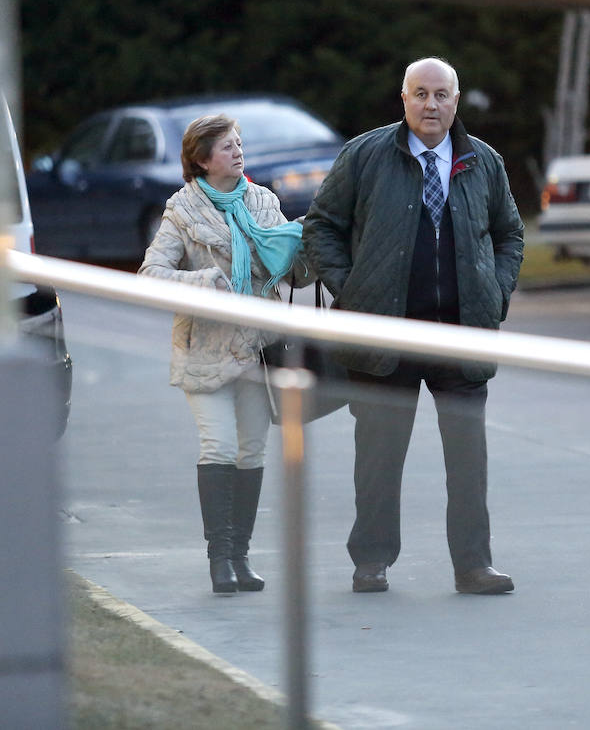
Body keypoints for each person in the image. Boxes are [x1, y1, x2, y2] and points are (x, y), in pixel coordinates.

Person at [303, 57, 524, 595]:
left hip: (460, 333)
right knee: (378, 456)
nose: (431, 104)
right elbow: (321, 227)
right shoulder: (364, 154)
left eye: (441, 94)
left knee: (468, 460)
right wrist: (353, 291)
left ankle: (474, 565)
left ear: (456, 99)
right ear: (403, 98)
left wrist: (494, 294)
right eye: (420, 94)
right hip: (386, 338)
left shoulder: (483, 160)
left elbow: (509, 234)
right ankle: (371, 561)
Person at [139, 113, 309, 594]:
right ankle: (219, 559)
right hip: (205, 351)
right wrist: (202, 281)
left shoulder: (262, 200)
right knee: (220, 446)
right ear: (201, 159)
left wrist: (299, 248)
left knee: (252, 450)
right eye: (227, 146)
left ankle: (240, 556)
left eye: (239, 143)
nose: (238, 152)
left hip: (257, 349)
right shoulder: (183, 211)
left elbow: (291, 275)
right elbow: (150, 275)